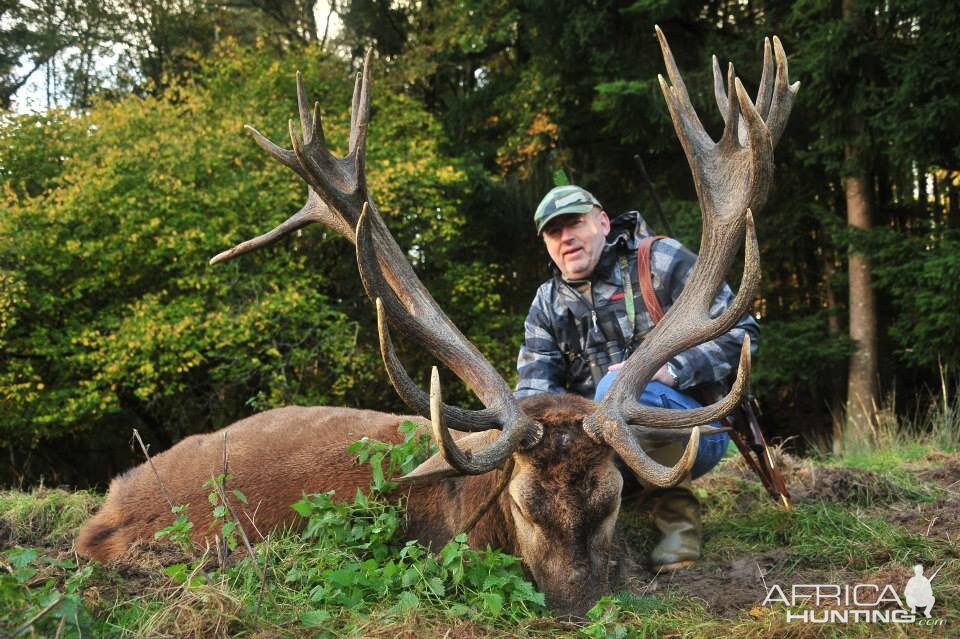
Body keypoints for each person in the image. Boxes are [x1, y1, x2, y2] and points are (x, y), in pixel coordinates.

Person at [515, 184, 759, 570]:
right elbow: (534, 392)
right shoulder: (548, 302)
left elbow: (741, 331)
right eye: (553, 231)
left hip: (691, 432)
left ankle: (679, 527)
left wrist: (672, 371)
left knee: (618, 392)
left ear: (602, 222)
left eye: (575, 224)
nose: (566, 238)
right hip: (600, 450)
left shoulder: (660, 261)